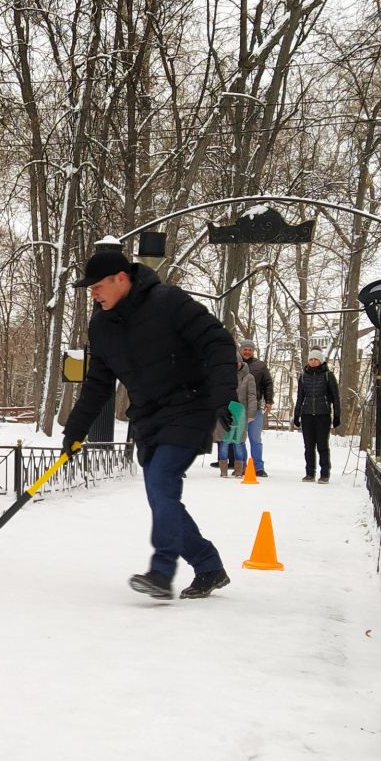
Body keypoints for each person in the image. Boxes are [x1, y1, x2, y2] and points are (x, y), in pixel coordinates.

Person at [62, 245, 238, 600]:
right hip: (148, 417)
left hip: (190, 405)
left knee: (161, 481)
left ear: (121, 278)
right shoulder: (102, 326)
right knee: (161, 497)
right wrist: (75, 430)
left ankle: (161, 572)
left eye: (97, 286)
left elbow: (217, 342)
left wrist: (223, 397)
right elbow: (98, 385)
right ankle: (208, 565)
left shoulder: (168, 301)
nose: (93, 294)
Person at [292, 349, 341, 482]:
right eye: (311, 359)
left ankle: (324, 474)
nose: (313, 362)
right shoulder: (303, 376)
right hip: (307, 415)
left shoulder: (328, 375)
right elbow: (300, 397)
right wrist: (296, 415)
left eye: (316, 359)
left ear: (320, 361)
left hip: (322, 415)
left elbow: (335, 397)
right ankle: (310, 473)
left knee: (322, 446)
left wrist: (337, 415)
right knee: (308, 446)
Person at [216, 350, 260, 478]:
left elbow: (252, 396)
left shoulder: (249, 377)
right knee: (224, 442)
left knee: (238, 443)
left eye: (236, 362)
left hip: (241, 413)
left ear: (241, 362)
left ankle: (239, 470)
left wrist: (251, 413)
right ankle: (223, 470)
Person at [238, 338, 273, 475]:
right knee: (240, 439)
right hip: (238, 408)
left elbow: (268, 384)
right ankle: (242, 466)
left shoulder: (261, 366)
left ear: (253, 351)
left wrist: (269, 401)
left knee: (255, 439)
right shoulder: (234, 364)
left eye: (250, 349)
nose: (247, 351)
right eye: (245, 349)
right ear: (240, 350)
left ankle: (258, 467)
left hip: (255, 408)